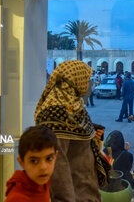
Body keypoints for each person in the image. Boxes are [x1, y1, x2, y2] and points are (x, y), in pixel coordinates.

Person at [34, 60, 108, 202]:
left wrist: (93, 130)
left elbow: (74, 131)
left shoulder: (74, 105)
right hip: (74, 195)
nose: (88, 84)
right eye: (86, 80)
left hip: (86, 192)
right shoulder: (54, 114)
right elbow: (56, 168)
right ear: (75, 80)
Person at [5, 126, 59, 202]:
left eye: (49, 159)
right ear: (21, 162)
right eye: (34, 161)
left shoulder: (42, 180)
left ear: (55, 156)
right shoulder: (17, 198)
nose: (43, 167)